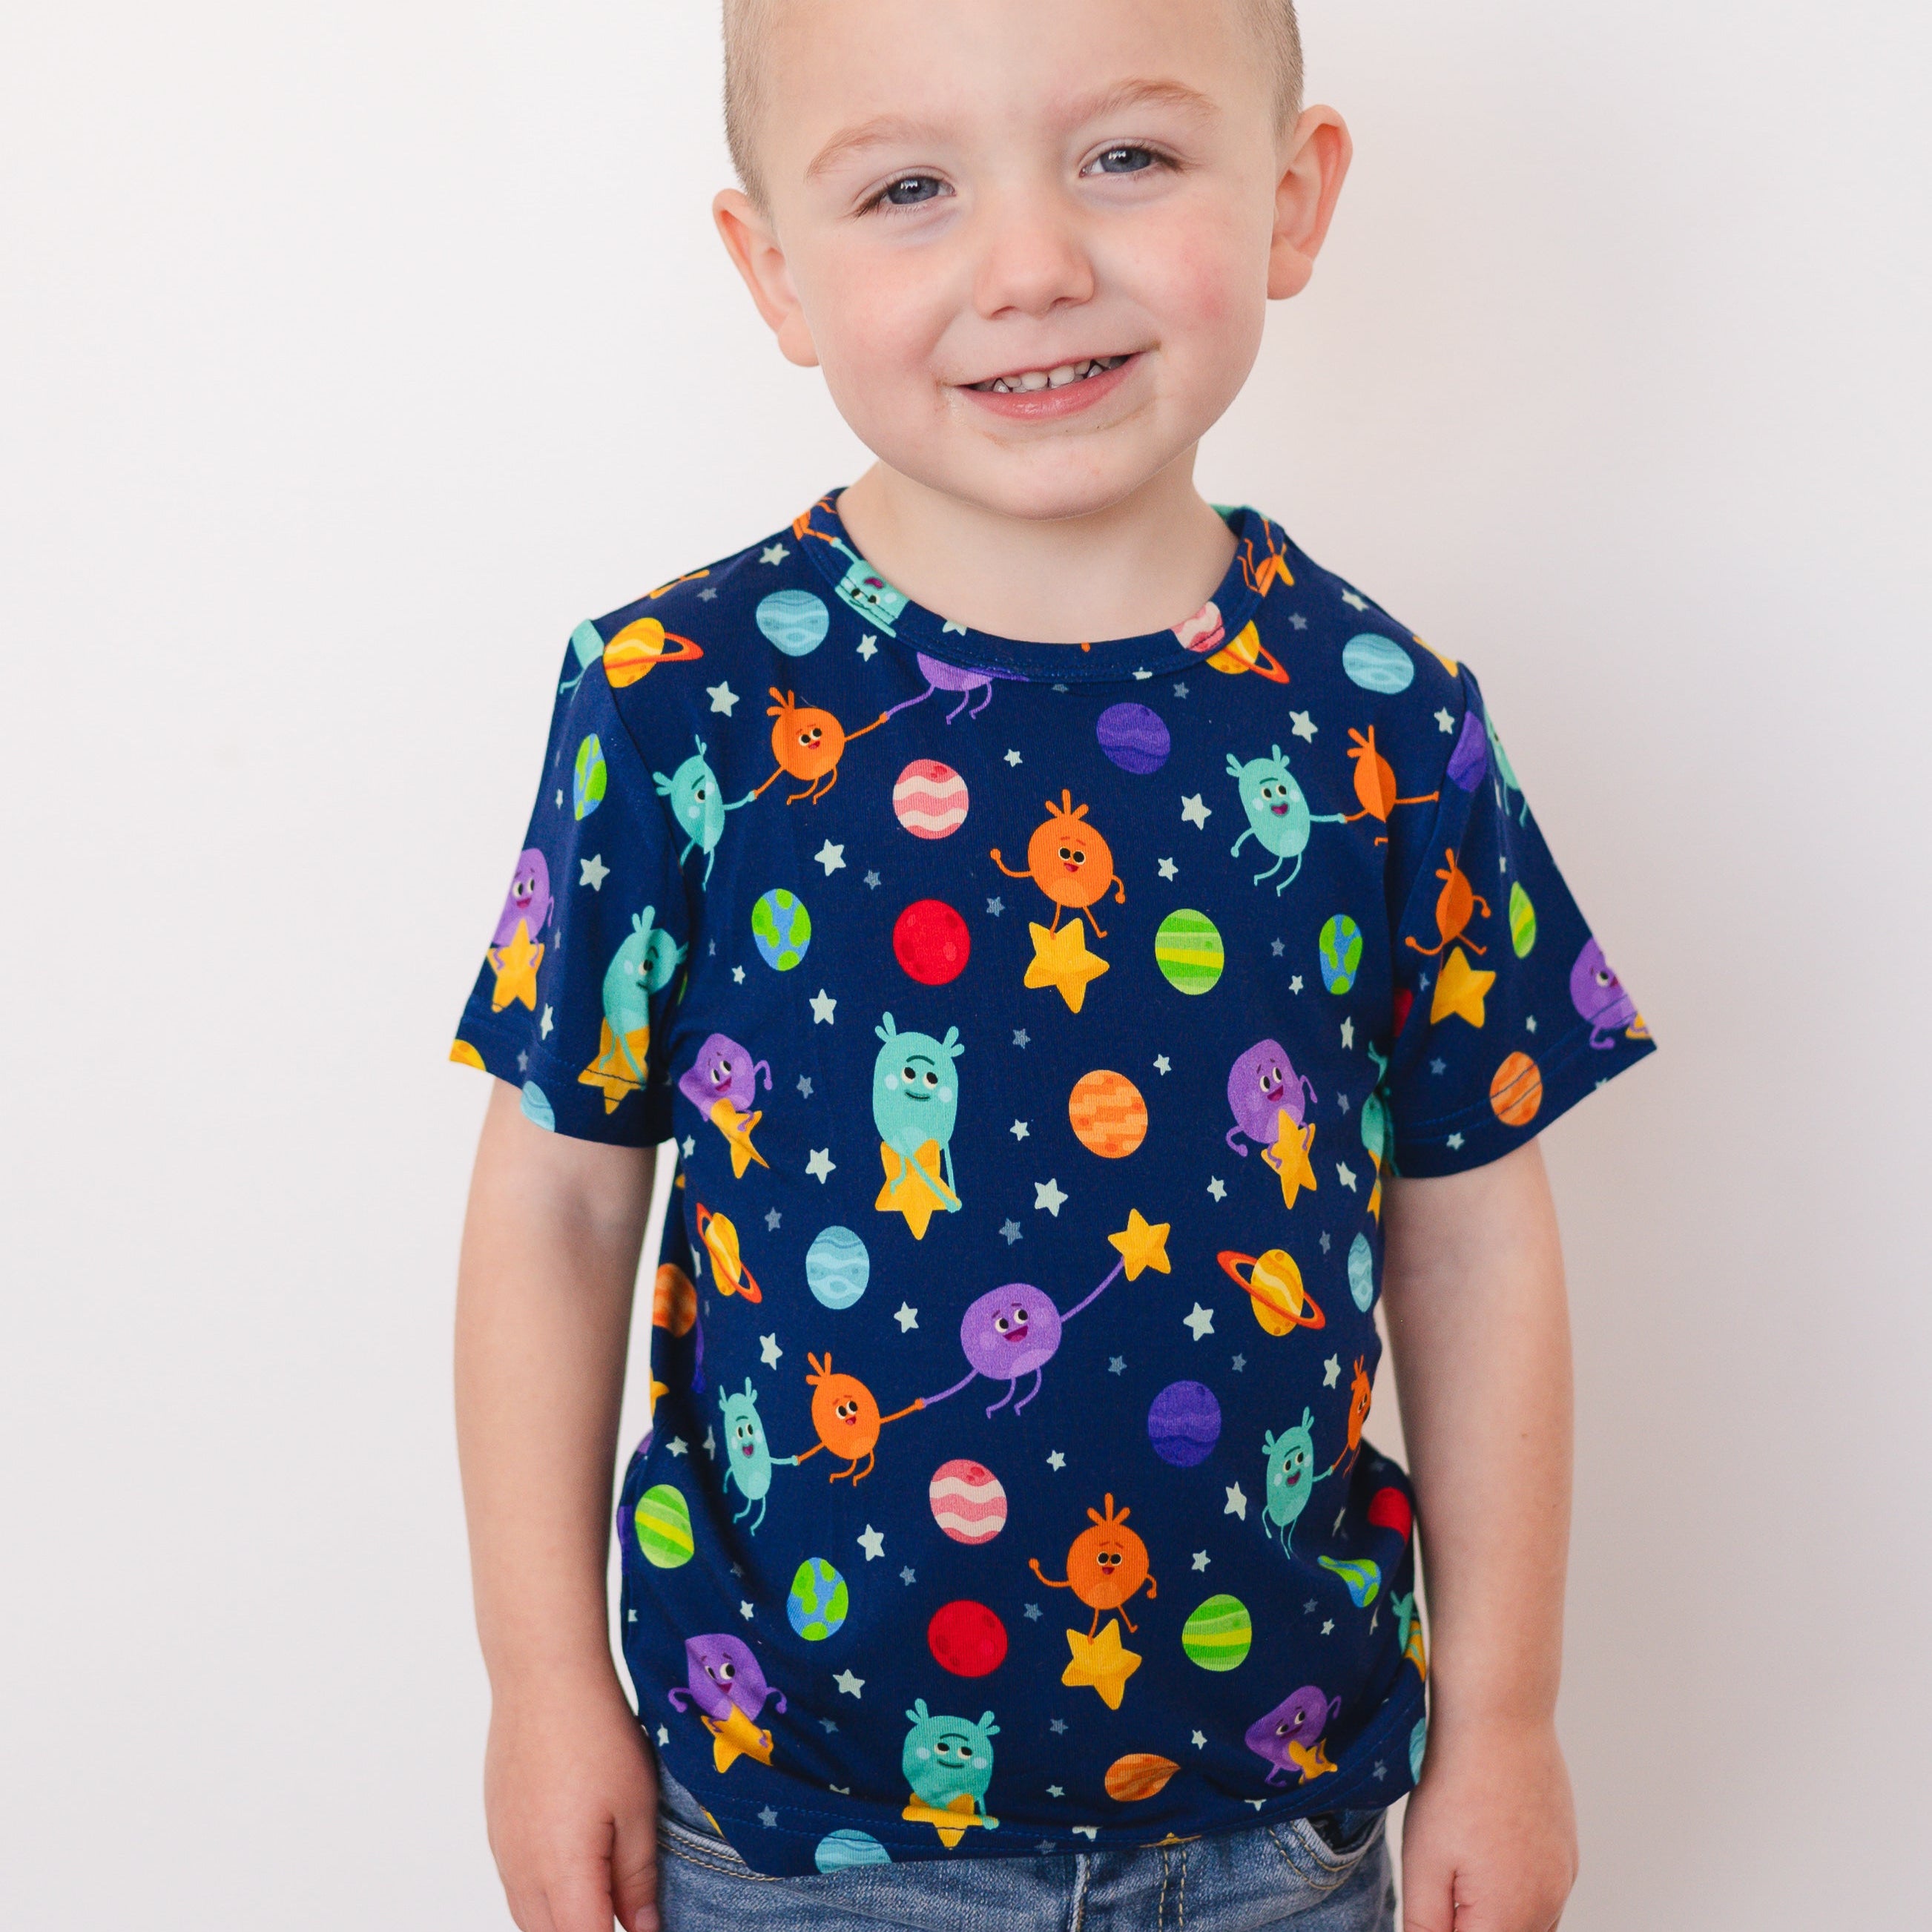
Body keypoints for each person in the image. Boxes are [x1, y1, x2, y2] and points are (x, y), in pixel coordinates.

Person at [450, 4, 1653, 1927]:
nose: (1031, 264)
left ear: (1291, 198)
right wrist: (538, 1686)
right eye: (911, 187)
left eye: (1125, 158)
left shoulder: (1378, 725)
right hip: (791, 1830)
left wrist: (1506, 1719)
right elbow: (562, 1215)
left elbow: (1474, 1230)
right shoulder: (680, 706)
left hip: (1275, 1824)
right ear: (775, 270)